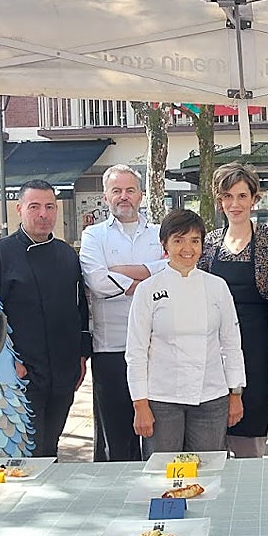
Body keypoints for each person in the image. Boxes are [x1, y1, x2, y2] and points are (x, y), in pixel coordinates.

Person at [0, 179, 90, 458]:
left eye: (50, 207)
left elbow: (80, 309)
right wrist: (9, 361)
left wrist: (81, 355)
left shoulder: (67, 255)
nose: (44, 214)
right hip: (22, 372)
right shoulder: (0, 253)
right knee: (29, 450)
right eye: (35, 207)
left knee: (51, 448)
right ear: (19, 209)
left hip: (64, 372)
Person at [128, 209, 245, 455]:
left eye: (194, 240)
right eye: (178, 240)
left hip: (212, 398)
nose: (187, 248)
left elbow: (231, 344)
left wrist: (235, 392)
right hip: (162, 399)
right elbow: (136, 351)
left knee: (209, 471)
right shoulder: (148, 289)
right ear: (165, 245)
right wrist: (140, 403)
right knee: (162, 473)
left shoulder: (217, 287)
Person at [79, 165, 168, 462]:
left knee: (158, 436)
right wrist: (148, 276)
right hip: (111, 349)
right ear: (106, 197)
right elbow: (97, 281)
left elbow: (170, 271)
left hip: (158, 350)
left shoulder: (160, 234)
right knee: (116, 440)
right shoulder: (93, 236)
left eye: (130, 190)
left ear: (141, 195)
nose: (124, 197)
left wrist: (123, 272)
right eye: (116, 191)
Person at [199, 163, 268, 457]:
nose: (234, 204)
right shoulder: (209, 242)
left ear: (254, 198)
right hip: (214, 346)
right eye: (227, 197)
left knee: (251, 427)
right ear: (219, 200)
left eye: (241, 196)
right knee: (213, 427)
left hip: (258, 345)